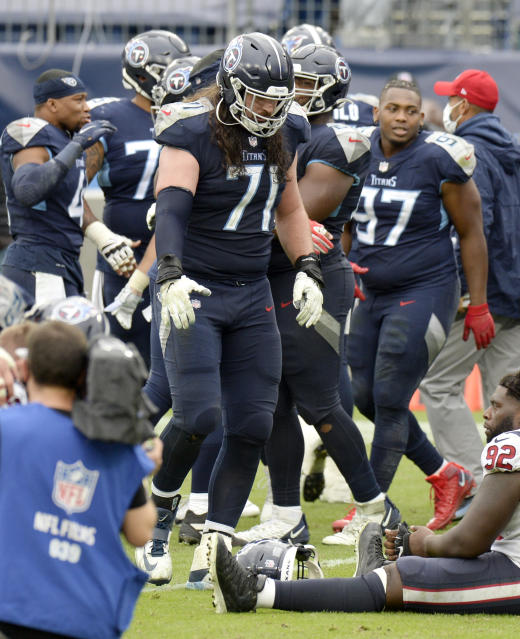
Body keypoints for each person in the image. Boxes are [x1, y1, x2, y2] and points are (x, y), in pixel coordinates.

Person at [134, 32, 324, 589]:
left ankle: (215, 546)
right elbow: (170, 209)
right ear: (231, 87)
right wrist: (167, 272)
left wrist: (307, 265)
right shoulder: (189, 131)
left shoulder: (287, 131)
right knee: (197, 417)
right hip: (193, 286)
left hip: (252, 291)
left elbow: (288, 207)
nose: (269, 110)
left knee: (251, 423)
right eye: (260, 97)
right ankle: (159, 520)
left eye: (278, 99)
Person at [210, 372, 520, 615]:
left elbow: (468, 543)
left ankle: (256, 593)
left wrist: (425, 542)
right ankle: (373, 575)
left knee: (406, 575)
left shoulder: (516, 445)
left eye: (496, 405)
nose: (486, 412)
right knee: (409, 568)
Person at [236, 44, 401, 548]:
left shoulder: (340, 140)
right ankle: (286, 512)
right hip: (270, 276)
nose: (292, 94)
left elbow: (294, 212)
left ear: (330, 90)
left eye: (305, 84)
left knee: (321, 403)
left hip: (312, 280)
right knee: (275, 403)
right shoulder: (272, 133)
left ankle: (377, 509)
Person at [346, 77, 492, 531]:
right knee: (363, 396)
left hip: (424, 289)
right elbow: (343, 216)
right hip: (367, 290)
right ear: (378, 113)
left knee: (391, 398)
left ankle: (371, 511)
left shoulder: (437, 158)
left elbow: (471, 232)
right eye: (394, 109)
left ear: (422, 116)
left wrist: (479, 304)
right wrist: (340, 263)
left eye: (411, 110)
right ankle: (447, 473)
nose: (402, 117)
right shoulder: (354, 150)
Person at [419, 69, 520, 487]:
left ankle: (472, 481)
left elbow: (474, 227)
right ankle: (513, 487)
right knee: (514, 398)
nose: (448, 107)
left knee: (438, 385)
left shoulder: (468, 152)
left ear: (464, 105)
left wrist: (470, 294)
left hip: (483, 294)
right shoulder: (519, 151)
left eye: (452, 99)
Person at [0, 320, 159, 638]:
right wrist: (141, 466)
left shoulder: (8, 428)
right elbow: (142, 532)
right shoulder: (118, 448)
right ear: (84, 376)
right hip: (89, 618)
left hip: (14, 611)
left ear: (25, 369)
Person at [86, 30, 191, 363]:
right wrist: (103, 238)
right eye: (169, 70)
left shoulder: (192, 118)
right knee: (117, 358)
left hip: (181, 255)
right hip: (124, 258)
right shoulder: (109, 118)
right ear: (143, 73)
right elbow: (68, 194)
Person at [0, 69, 137, 305]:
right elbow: (27, 190)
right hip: (38, 264)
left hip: (61, 263)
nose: (86, 107)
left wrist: (105, 239)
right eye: (78, 99)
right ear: (52, 104)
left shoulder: (64, 141)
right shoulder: (33, 132)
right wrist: (77, 146)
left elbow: (67, 203)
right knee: (53, 341)